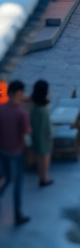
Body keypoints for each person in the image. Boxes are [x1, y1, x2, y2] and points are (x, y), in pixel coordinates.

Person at [0, 80, 31, 225]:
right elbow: (26, 133)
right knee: (18, 184)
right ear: (18, 93)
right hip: (17, 152)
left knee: (5, 178)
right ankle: (17, 215)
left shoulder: (1, 109)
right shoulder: (20, 112)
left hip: (2, 150)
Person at [30, 80, 53, 187]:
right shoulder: (43, 109)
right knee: (45, 156)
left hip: (36, 136)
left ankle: (42, 176)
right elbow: (47, 124)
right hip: (44, 136)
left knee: (39, 156)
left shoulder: (34, 107)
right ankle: (44, 178)